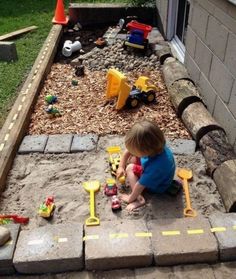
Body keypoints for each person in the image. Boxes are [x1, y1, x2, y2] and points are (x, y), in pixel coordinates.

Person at [116, 119, 176, 211]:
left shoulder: (155, 167)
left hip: (158, 185)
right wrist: (121, 166)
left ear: (145, 151)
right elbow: (128, 150)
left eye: (134, 150)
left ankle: (140, 199)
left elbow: (140, 185)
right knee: (132, 158)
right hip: (155, 169)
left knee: (130, 168)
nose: (131, 151)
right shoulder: (156, 146)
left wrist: (130, 198)